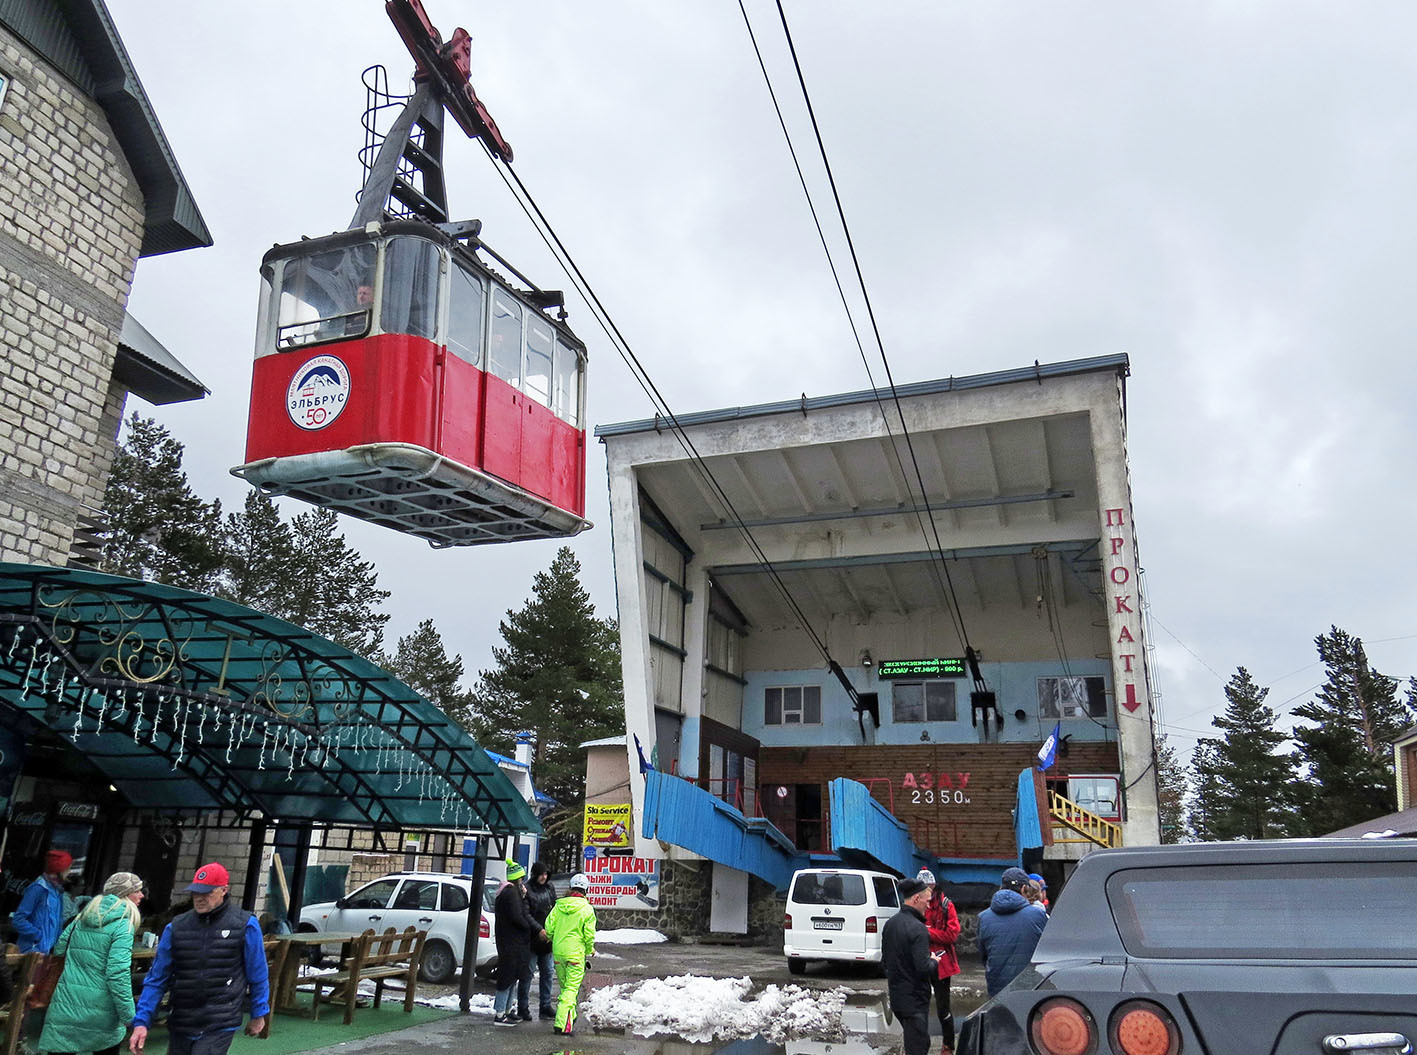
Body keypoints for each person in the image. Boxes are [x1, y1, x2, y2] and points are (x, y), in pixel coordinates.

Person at [130, 862, 269, 1055]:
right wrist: (142, 1022)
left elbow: (258, 973)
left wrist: (259, 1013)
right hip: (182, 1019)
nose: (199, 898)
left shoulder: (246, 925)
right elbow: (156, 979)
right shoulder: (176, 927)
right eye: (196, 892)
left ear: (224, 890)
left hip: (220, 1020)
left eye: (207, 893)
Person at [38, 873, 144, 1055]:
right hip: (101, 1013)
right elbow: (117, 974)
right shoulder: (123, 925)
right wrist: (129, 1016)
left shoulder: (82, 917)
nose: (142, 895)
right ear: (126, 894)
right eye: (137, 890)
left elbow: (60, 948)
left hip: (66, 1004)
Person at [881, 878, 938, 1055]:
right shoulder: (918, 929)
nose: (928, 906)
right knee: (918, 1047)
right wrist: (934, 961)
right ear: (916, 899)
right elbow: (923, 968)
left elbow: (885, 962)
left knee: (915, 1042)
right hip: (915, 1000)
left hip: (898, 998)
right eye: (927, 901)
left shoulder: (890, 924)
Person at [977, 867, 1049, 997]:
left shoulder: (983, 917)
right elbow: (1047, 952)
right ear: (1023, 889)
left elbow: (984, 957)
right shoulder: (1037, 915)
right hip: (1030, 987)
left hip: (997, 989)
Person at [545, 873, 596, 1037]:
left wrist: (555, 939)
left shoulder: (559, 906)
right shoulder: (587, 909)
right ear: (585, 890)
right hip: (575, 955)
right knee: (571, 990)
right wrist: (589, 950)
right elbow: (589, 935)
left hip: (558, 953)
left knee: (565, 987)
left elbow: (549, 927)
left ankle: (570, 1016)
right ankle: (561, 1025)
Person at [918, 869, 961, 1054]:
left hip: (942, 964)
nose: (927, 891)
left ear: (934, 887)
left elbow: (952, 934)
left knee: (943, 1008)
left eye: (930, 887)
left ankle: (948, 1046)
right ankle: (919, 1044)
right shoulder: (916, 905)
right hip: (920, 960)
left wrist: (927, 932)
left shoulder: (945, 905)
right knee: (919, 1006)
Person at [492, 861, 538, 1026]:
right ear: (518, 877)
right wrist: (528, 927)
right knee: (507, 977)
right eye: (522, 878)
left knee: (512, 977)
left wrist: (523, 896)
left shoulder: (508, 892)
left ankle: (506, 1010)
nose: (523, 881)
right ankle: (500, 1013)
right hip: (512, 943)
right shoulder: (511, 893)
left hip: (510, 942)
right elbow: (517, 916)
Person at [13, 850, 72, 953]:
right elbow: (18, 919)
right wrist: (39, 936)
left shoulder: (58, 892)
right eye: (68, 868)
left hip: (46, 952)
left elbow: (56, 923)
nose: (69, 872)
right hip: (31, 951)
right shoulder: (38, 888)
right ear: (59, 870)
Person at [524, 862, 558, 1020]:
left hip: (548, 939)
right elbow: (526, 914)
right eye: (541, 874)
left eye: (546, 874)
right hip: (532, 939)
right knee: (528, 974)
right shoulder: (527, 889)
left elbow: (555, 909)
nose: (544, 877)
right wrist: (539, 930)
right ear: (535, 874)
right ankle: (523, 1007)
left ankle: (545, 1006)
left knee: (548, 973)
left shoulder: (550, 888)